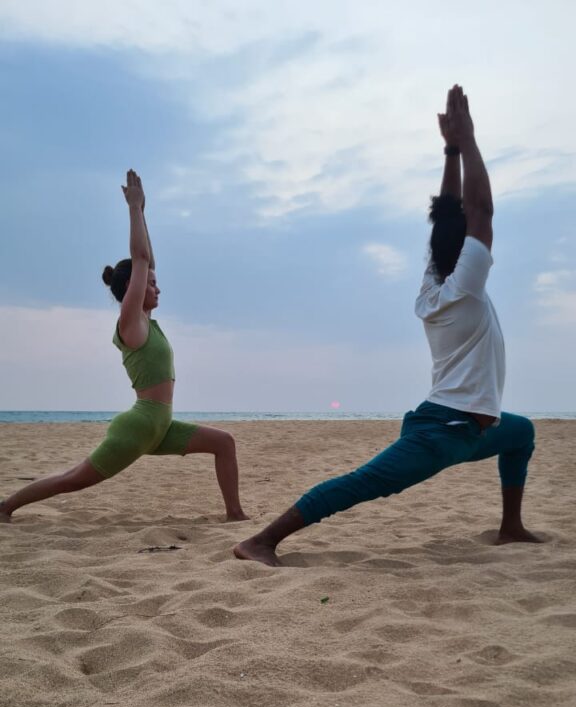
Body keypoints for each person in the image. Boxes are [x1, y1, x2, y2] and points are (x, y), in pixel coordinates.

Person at [234, 85, 540, 567]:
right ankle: (261, 541)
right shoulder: (464, 287)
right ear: (466, 253)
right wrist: (471, 139)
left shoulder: (434, 284)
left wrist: (451, 150)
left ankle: (510, 527)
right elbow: (481, 212)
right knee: (364, 484)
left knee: (522, 433)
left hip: (475, 427)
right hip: (442, 431)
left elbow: (447, 216)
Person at [0, 170, 247, 523]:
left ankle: (235, 514)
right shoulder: (130, 324)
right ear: (133, 286)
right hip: (139, 426)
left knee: (224, 442)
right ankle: (6, 506)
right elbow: (142, 259)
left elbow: (148, 261)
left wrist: (144, 211)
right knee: (74, 479)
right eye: (151, 284)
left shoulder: (148, 322)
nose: (158, 288)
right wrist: (133, 208)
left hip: (161, 426)